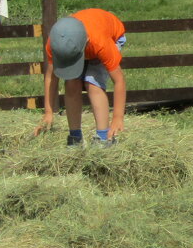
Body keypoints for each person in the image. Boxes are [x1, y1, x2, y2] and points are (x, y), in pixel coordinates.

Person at [37, 8, 127, 146]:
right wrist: (48, 112)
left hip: (111, 35)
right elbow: (51, 78)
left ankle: (103, 137)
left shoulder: (100, 43)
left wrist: (118, 117)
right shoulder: (57, 43)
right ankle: (75, 137)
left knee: (93, 83)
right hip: (82, 42)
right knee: (71, 82)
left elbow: (119, 80)